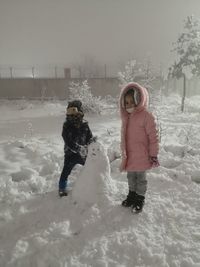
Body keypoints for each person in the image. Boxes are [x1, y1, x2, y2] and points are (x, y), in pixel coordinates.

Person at [119, 82, 159, 212]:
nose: (129, 105)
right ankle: (132, 195)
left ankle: (140, 198)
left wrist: (153, 154)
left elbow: (153, 137)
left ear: (139, 100)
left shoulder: (147, 116)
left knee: (141, 179)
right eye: (126, 102)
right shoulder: (126, 117)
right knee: (131, 177)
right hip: (130, 156)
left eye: (132, 101)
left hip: (142, 155)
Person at [58, 100, 93, 197]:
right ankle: (62, 188)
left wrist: (92, 142)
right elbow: (67, 140)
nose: (72, 116)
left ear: (80, 113)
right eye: (70, 113)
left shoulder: (85, 125)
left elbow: (89, 137)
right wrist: (78, 148)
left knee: (89, 167)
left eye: (74, 112)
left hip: (83, 154)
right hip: (70, 154)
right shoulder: (67, 126)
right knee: (66, 171)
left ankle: (91, 183)